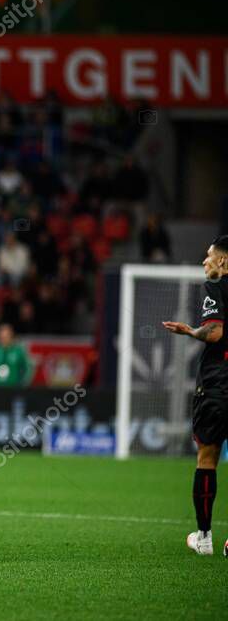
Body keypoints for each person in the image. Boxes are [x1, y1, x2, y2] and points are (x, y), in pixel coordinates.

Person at [162, 235, 228, 556]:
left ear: (223, 262)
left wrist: (190, 331)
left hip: (217, 385)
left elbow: (214, 332)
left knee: (207, 458)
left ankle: (204, 537)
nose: (205, 262)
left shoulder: (215, 287)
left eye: (209, 256)